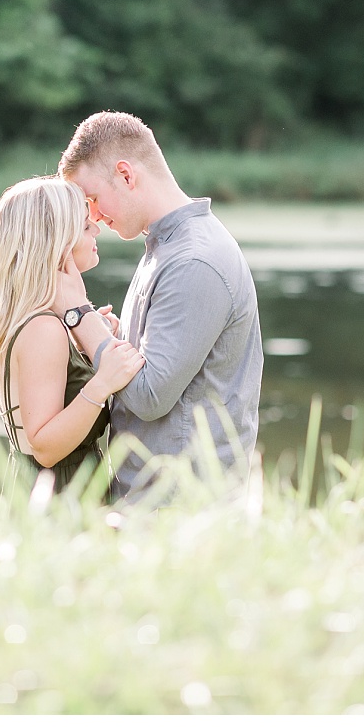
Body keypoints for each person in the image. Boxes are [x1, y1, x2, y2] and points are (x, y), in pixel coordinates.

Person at [54, 111, 263, 502]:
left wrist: (78, 315)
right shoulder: (165, 248)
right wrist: (111, 338)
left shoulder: (193, 260)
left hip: (182, 510)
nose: (93, 216)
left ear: (127, 175)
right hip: (154, 503)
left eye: (93, 198)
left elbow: (150, 396)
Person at [0, 175, 144, 495]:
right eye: (83, 224)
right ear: (55, 241)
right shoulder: (43, 329)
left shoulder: (44, 322)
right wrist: (102, 381)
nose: (97, 227)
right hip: (60, 500)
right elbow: (46, 448)